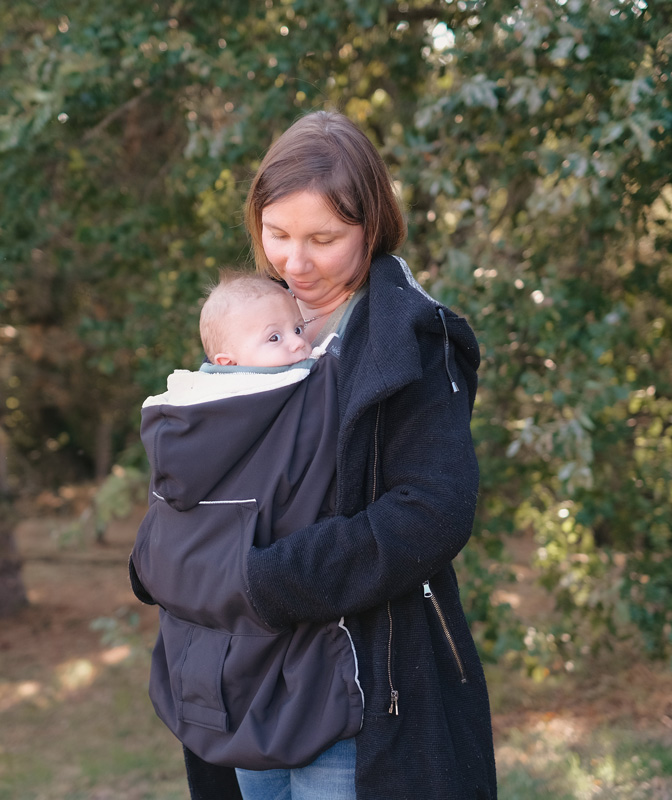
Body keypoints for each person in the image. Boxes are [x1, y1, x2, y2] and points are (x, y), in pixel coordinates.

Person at [180, 111, 498, 800]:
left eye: (324, 238)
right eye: (278, 235)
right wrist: (164, 566)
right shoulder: (250, 326)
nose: (295, 263)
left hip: (362, 693)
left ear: (371, 226)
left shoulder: (412, 340)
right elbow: (189, 489)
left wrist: (260, 581)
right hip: (246, 688)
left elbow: (429, 514)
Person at [129, 270, 365, 771]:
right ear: (227, 363)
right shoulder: (279, 400)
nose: (299, 346)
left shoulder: (183, 419)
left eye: (298, 330)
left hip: (221, 668)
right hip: (284, 653)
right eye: (275, 338)